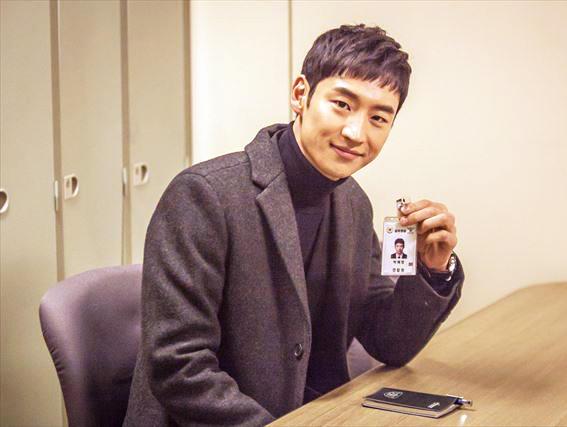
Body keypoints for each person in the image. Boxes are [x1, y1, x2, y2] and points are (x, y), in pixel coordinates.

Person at [124, 24, 464, 426]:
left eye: (378, 117)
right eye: (342, 104)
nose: (356, 133)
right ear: (301, 94)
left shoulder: (353, 203)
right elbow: (180, 368)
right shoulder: (204, 195)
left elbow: (386, 340)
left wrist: (433, 269)